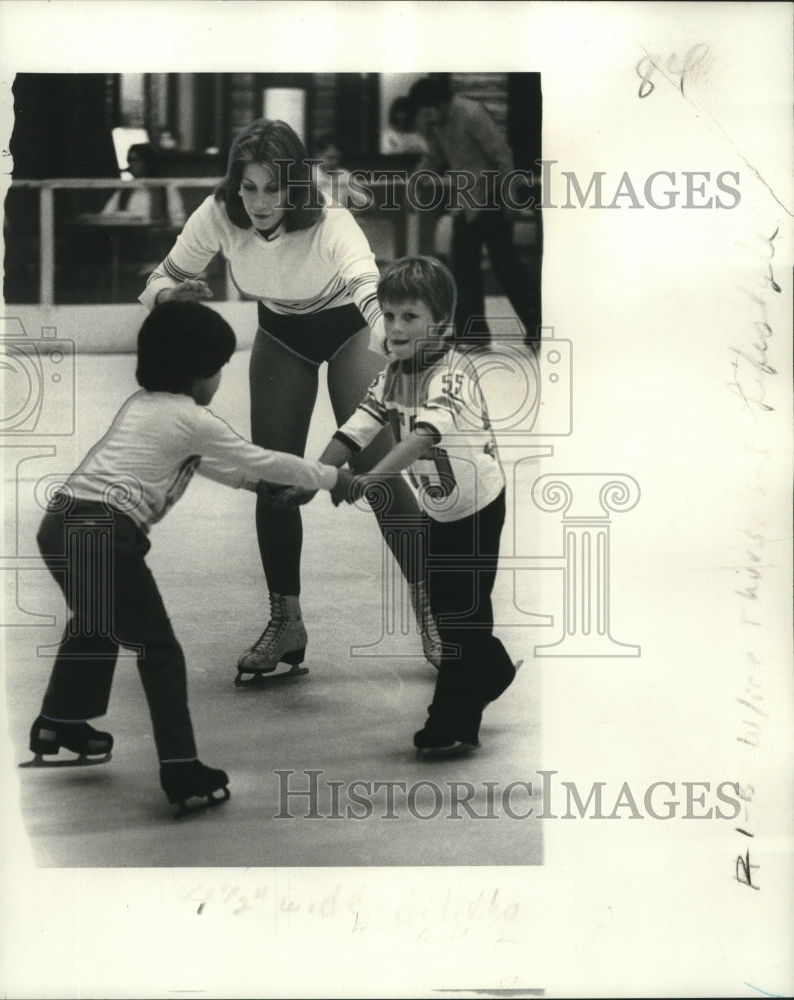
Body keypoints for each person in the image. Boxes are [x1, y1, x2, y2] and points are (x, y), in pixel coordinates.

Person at [138, 118, 441, 682]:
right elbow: (157, 279)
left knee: (376, 468)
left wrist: (396, 344)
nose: (257, 203)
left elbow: (367, 291)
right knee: (275, 478)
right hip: (281, 336)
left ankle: (437, 612)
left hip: (351, 330)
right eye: (247, 187)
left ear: (295, 186)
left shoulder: (332, 221)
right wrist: (167, 296)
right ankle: (287, 622)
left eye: (272, 188)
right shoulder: (217, 215)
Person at [26, 301, 354, 817]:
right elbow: (260, 457)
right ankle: (181, 768)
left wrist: (256, 490)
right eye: (219, 368)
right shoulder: (191, 418)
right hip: (105, 534)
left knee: (95, 622)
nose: (221, 378)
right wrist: (335, 477)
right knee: (159, 650)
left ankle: (60, 723)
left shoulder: (144, 406)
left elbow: (210, 467)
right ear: (199, 372)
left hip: (61, 524)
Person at [286, 256, 518, 756]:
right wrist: (319, 475)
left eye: (410, 317)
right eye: (389, 316)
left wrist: (371, 478)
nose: (395, 327)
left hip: (479, 508)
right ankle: (493, 670)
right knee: (454, 608)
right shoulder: (392, 374)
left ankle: (452, 722)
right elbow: (358, 426)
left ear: (442, 326)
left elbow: (422, 437)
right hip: (440, 510)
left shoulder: (451, 375)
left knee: (462, 617)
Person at [408, 76, 539, 345]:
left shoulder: (471, 113)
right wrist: (416, 179)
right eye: (423, 114)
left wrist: (511, 199)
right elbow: (435, 156)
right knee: (463, 266)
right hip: (467, 201)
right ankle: (473, 332)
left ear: (442, 103)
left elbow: (502, 155)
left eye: (430, 111)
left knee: (506, 266)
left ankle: (539, 325)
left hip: (492, 198)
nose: (428, 118)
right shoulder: (438, 123)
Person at [100, 143, 185, 228]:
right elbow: (105, 216)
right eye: (129, 160)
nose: (131, 164)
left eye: (135, 160)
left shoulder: (165, 189)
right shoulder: (125, 191)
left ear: (146, 161)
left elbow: (178, 220)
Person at [311, 132, 351, 207]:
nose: (334, 163)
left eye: (337, 159)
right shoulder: (308, 174)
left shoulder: (344, 174)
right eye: (330, 158)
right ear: (318, 155)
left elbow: (368, 202)